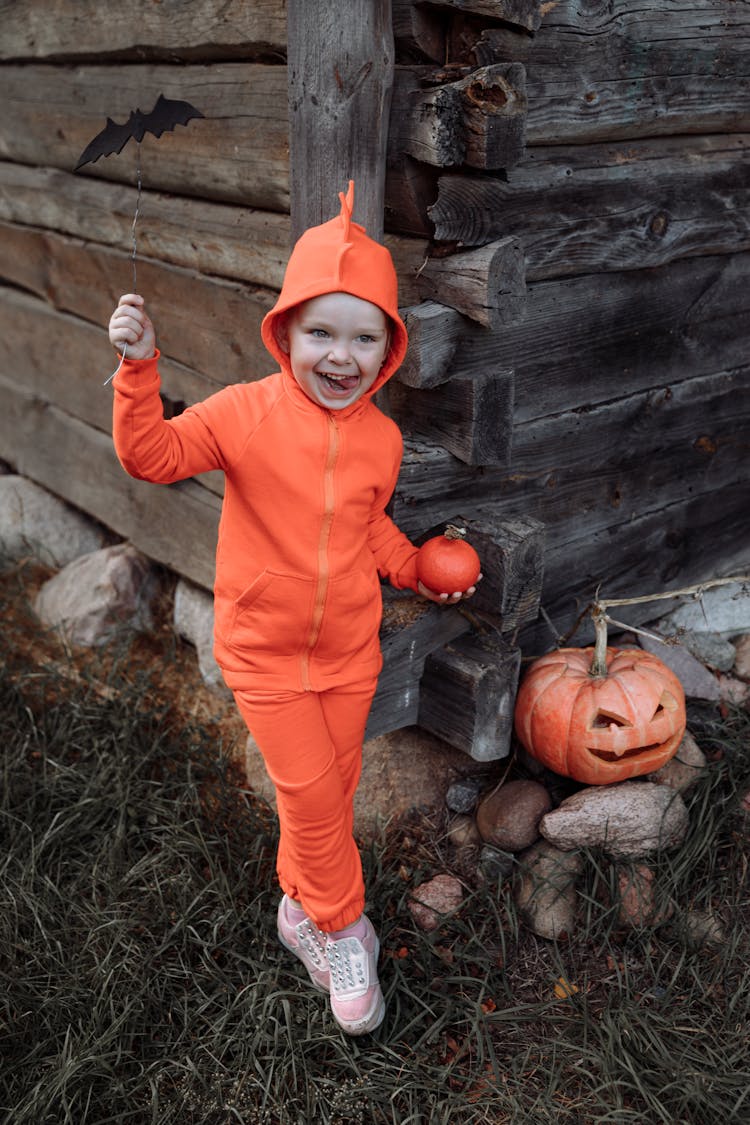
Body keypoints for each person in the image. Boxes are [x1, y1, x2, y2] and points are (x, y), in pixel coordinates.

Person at [107, 182, 478, 1036]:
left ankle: (297, 911)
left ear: (388, 348)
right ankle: (346, 929)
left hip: (350, 654)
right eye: (320, 332)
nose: (339, 356)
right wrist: (139, 371)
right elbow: (151, 455)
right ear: (285, 332)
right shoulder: (245, 412)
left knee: (331, 794)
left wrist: (418, 565)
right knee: (313, 800)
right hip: (265, 655)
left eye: (362, 336)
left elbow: (369, 530)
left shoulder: (382, 440)